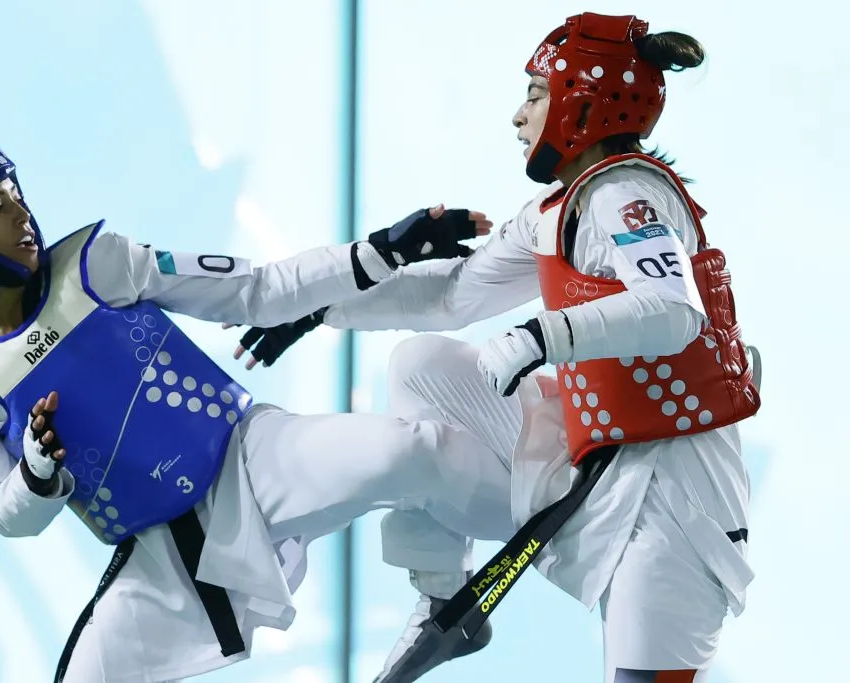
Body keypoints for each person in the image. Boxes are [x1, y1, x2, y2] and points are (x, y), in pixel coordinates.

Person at [0, 130, 537, 683]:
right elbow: (5, 512)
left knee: (410, 451)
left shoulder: (98, 263)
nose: (21, 213)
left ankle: (451, 595)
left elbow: (258, 289)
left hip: (250, 461)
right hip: (160, 557)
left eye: (15, 193)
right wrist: (37, 475)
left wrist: (381, 252)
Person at [231, 12, 760, 683]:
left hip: (671, 490)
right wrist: (318, 306)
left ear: (583, 101)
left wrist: (542, 335)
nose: (518, 116)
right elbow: (454, 294)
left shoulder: (628, 195)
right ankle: (445, 598)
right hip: (586, 453)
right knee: (421, 368)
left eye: (536, 94)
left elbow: (674, 310)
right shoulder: (560, 209)